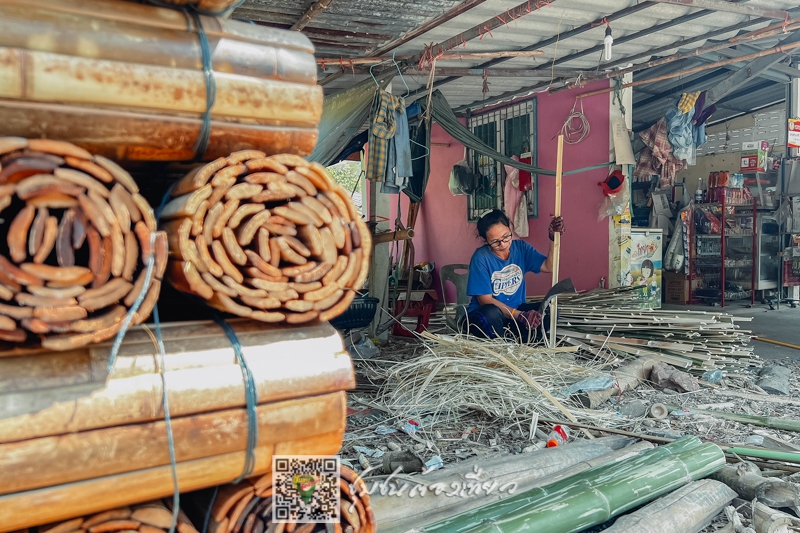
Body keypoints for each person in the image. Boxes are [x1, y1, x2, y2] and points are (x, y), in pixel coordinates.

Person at [461, 209, 564, 342]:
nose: (503, 244)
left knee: (550, 311)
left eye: (505, 237)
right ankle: (503, 344)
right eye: (495, 242)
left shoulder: (520, 248)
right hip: (485, 317)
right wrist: (519, 315)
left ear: (510, 229)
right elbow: (485, 300)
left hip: (513, 315)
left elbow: (549, 266)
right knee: (491, 313)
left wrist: (553, 237)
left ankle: (517, 341)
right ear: (485, 240)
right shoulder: (481, 257)